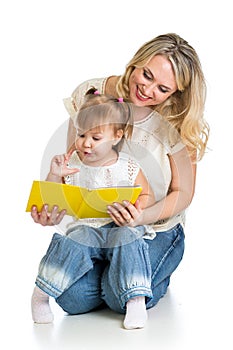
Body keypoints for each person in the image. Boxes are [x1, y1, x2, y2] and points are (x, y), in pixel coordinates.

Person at [31, 33, 209, 328]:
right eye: (146, 74)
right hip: (97, 224)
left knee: (119, 297)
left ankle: (143, 272)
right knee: (72, 298)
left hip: (155, 227)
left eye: (162, 88)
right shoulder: (94, 95)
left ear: (175, 94)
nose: (147, 89)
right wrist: (52, 204)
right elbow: (75, 164)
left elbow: (184, 191)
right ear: (137, 62)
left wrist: (141, 216)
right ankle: (120, 274)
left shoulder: (177, 121)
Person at [31, 92, 156, 329]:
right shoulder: (74, 165)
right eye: (81, 135)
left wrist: (136, 211)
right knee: (74, 241)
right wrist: (55, 174)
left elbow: (146, 194)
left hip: (119, 226)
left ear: (116, 137)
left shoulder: (127, 166)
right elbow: (52, 196)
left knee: (130, 239)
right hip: (87, 227)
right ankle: (41, 293)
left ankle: (135, 299)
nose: (86, 143)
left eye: (95, 137)